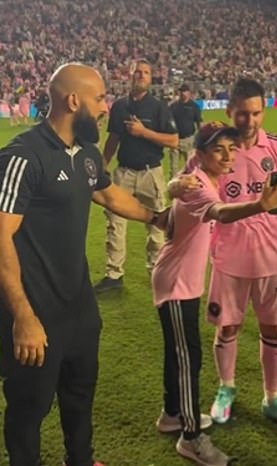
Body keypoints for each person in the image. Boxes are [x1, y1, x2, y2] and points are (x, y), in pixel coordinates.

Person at [0, 62, 169, 466]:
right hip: (35, 310)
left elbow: (110, 196)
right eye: (99, 99)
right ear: (72, 100)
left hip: (78, 307)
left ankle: (80, 460)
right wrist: (22, 315)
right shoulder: (23, 157)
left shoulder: (87, 154)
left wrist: (157, 218)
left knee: (79, 393)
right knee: (31, 406)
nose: (105, 107)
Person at [152, 121, 277, 466]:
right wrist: (260, 205)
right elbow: (220, 213)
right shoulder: (200, 185)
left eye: (232, 147)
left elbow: (170, 212)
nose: (229, 155)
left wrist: (171, 191)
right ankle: (191, 438)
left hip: (181, 280)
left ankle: (172, 415)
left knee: (179, 353)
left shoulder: (201, 179)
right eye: (219, 149)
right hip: (175, 283)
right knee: (189, 359)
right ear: (200, 155)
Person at [170, 78, 277, 435]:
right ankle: (226, 388)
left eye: (256, 113)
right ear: (229, 112)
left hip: (270, 257)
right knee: (227, 327)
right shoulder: (214, 148)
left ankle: (272, 399)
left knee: (274, 329)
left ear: (264, 111)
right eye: (242, 113)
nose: (250, 121)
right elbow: (183, 184)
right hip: (227, 257)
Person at [94, 59, 178, 292]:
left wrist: (144, 132)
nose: (141, 75)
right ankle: (114, 274)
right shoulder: (120, 106)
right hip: (124, 172)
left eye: (146, 72)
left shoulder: (159, 107)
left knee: (157, 224)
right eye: (137, 72)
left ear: (151, 78)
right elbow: (113, 139)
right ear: (129, 76)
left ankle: (156, 271)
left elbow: (173, 140)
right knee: (115, 222)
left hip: (151, 172)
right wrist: (103, 163)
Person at [169, 83, 202, 178]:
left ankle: (189, 187)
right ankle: (173, 187)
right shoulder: (173, 106)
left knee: (190, 166)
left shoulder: (194, 106)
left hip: (188, 140)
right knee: (173, 167)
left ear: (189, 93)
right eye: (181, 91)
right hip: (175, 139)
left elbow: (199, 122)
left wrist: (200, 139)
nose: (182, 93)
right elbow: (168, 122)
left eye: (184, 91)